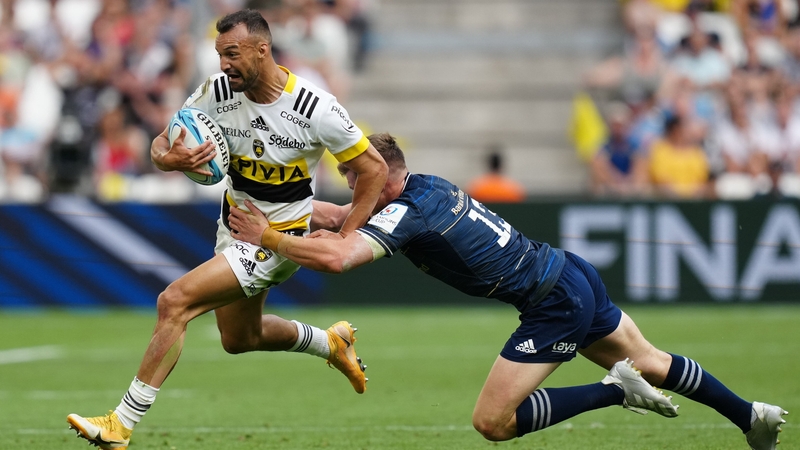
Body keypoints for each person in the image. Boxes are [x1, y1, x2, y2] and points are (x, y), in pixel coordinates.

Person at [228, 132, 787, 449]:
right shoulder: (425, 187)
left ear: (376, 177)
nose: (350, 189)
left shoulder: (408, 213)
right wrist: (285, 212)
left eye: (354, 178)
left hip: (552, 303)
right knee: (652, 358)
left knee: (493, 423)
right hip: (571, 272)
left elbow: (340, 258)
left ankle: (616, 391)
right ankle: (750, 415)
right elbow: (339, 218)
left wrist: (267, 237)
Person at [66, 9, 388, 449]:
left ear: (262, 49)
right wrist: (172, 159)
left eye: (232, 54)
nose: (224, 64)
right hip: (232, 229)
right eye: (219, 54)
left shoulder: (315, 108)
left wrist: (346, 236)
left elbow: (373, 169)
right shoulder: (217, 92)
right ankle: (329, 342)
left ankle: (120, 424)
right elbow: (162, 144)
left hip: (276, 242)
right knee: (240, 338)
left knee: (173, 302)